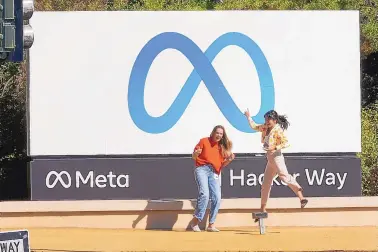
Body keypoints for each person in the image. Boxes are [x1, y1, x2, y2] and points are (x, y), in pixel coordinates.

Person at [244, 109, 308, 220]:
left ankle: (301, 197)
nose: (267, 121)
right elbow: (254, 126)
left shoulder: (278, 130)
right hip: (270, 158)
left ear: (274, 120)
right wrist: (248, 117)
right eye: (266, 119)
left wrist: (274, 147)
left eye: (269, 119)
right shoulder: (264, 127)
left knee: (284, 176)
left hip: (277, 156)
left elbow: (285, 142)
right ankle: (262, 209)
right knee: (265, 184)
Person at [190, 125, 235, 232]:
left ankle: (211, 225)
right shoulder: (204, 141)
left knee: (217, 197)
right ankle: (195, 221)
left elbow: (222, 164)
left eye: (221, 133)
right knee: (205, 194)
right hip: (202, 169)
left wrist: (229, 160)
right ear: (213, 133)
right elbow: (194, 156)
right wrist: (196, 154)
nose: (219, 135)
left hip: (214, 172)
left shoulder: (222, 147)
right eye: (217, 133)